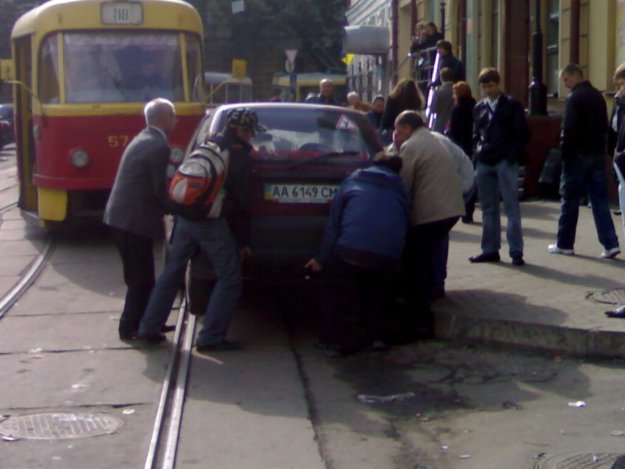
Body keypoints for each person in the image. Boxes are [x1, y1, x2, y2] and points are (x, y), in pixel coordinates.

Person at [137, 108, 259, 350]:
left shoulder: (208, 143)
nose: (251, 137)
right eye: (250, 133)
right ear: (243, 132)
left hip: (185, 217)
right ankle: (210, 338)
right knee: (231, 278)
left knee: (173, 270)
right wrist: (243, 241)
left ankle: (149, 327)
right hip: (211, 223)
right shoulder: (241, 157)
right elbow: (241, 203)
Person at [304, 155, 410, 356]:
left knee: (333, 290)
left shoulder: (353, 180)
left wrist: (320, 259)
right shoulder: (401, 189)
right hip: (388, 255)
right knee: (377, 291)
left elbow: (333, 227)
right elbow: (405, 222)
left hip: (351, 251)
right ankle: (377, 337)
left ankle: (331, 341)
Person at [103, 98, 178, 341]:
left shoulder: (144, 138)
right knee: (140, 278)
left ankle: (148, 322)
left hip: (123, 217)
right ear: (165, 118)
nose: (175, 121)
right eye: (173, 116)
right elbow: (159, 189)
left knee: (142, 275)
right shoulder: (158, 146)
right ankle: (131, 328)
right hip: (132, 220)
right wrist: (180, 209)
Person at [393, 110, 465, 337]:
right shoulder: (431, 139)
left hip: (432, 213)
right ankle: (431, 296)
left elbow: (402, 185)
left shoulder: (411, 146)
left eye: (397, 130)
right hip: (449, 209)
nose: (396, 134)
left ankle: (421, 321)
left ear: (406, 128)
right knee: (424, 258)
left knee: (415, 265)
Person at [548, 63, 620, 259]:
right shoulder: (598, 96)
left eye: (565, 79)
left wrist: (564, 152)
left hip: (576, 156)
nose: (564, 83)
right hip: (596, 154)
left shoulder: (574, 98)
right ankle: (610, 244)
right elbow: (604, 125)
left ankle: (565, 244)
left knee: (569, 200)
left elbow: (569, 128)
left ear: (574, 77)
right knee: (599, 201)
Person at [469, 67, 529, 266]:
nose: (488, 90)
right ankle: (490, 249)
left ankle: (516, 251)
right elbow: (476, 134)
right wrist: (477, 153)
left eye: (491, 85)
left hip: (504, 160)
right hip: (485, 160)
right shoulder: (479, 108)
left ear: (499, 84)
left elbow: (522, 133)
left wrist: (511, 156)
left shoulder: (512, 105)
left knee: (511, 207)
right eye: (485, 86)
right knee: (488, 207)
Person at [430, 131, 475, 299]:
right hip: (453, 184)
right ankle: (434, 281)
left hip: (461, 186)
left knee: (438, 228)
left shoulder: (435, 145)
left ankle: (437, 283)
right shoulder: (422, 142)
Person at [447, 81, 477, 222]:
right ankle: (469, 212)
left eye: (454, 93)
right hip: (474, 147)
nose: (453, 96)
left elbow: (454, 131)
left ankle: (463, 209)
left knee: (461, 178)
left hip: (460, 147)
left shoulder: (457, 110)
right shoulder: (476, 106)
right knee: (471, 179)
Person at [380, 78, 423, 143]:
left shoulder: (393, 98)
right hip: (412, 133)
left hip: (395, 131)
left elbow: (386, 118)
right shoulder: (417, 101)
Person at [431, 67, 455, 133]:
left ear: (441, 78)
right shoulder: (457, 90)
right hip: (454, 124)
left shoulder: (438, 91)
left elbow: (433, 109)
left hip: (440, 124)